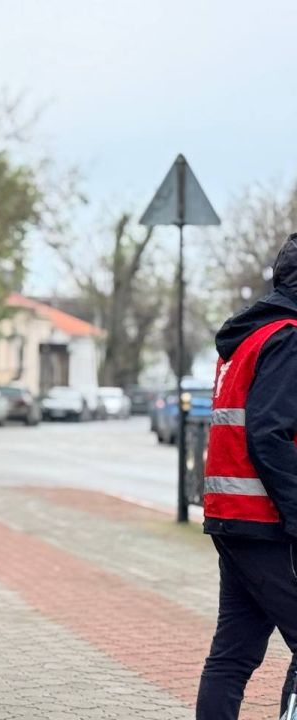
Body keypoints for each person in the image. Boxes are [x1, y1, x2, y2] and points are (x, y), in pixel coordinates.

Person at [197, 233, 297, 720]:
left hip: (234, 517)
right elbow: (268, 434)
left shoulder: (248, 337)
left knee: (232, 655)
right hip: (268, 523)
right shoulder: (290, 338)